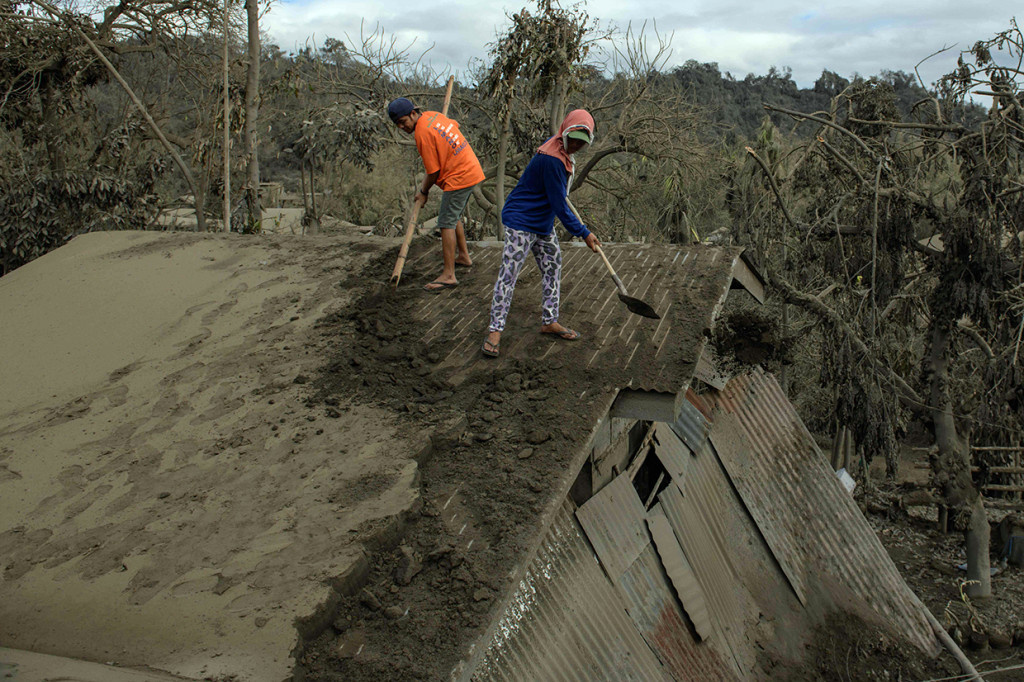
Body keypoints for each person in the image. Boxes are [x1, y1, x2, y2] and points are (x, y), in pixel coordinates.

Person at [482, 109, 601, 358]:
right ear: (565, 133)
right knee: (509, 275)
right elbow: (559, 204)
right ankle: (495, 331)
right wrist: (584, 233)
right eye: (573, 140)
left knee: (552, 267)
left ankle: (549, 321)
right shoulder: (552, 159)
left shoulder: (562, 152)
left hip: (542, 224)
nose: (576, 145)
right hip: (521, 221)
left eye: (581, 142)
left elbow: (557, 198)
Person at [387, 97, 484, 292]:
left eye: (403, 122)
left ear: (413, 114)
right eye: (398, 124)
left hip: (459, 176)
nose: (402, 127)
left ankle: (449, 275)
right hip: (470, 169)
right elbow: (454, 125)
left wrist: (423, 192)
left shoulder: (422, 133)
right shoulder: (433, 116)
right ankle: (463, 256)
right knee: (452, 215)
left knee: (446, 223)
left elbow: (433, 171)